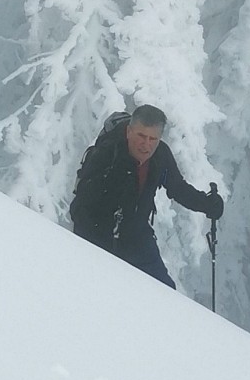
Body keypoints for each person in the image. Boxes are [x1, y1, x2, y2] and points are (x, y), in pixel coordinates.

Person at [69, 104, 223, 289]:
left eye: (153, 139)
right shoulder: (107, 155)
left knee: (165, 294)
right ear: (128, 131)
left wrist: (207, 204)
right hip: (98, 236)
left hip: (137, 235)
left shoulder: (160, 156)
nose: (146, 145)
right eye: (141, 136)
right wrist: (93, 247)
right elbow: (81, 207)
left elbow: (177, 188)